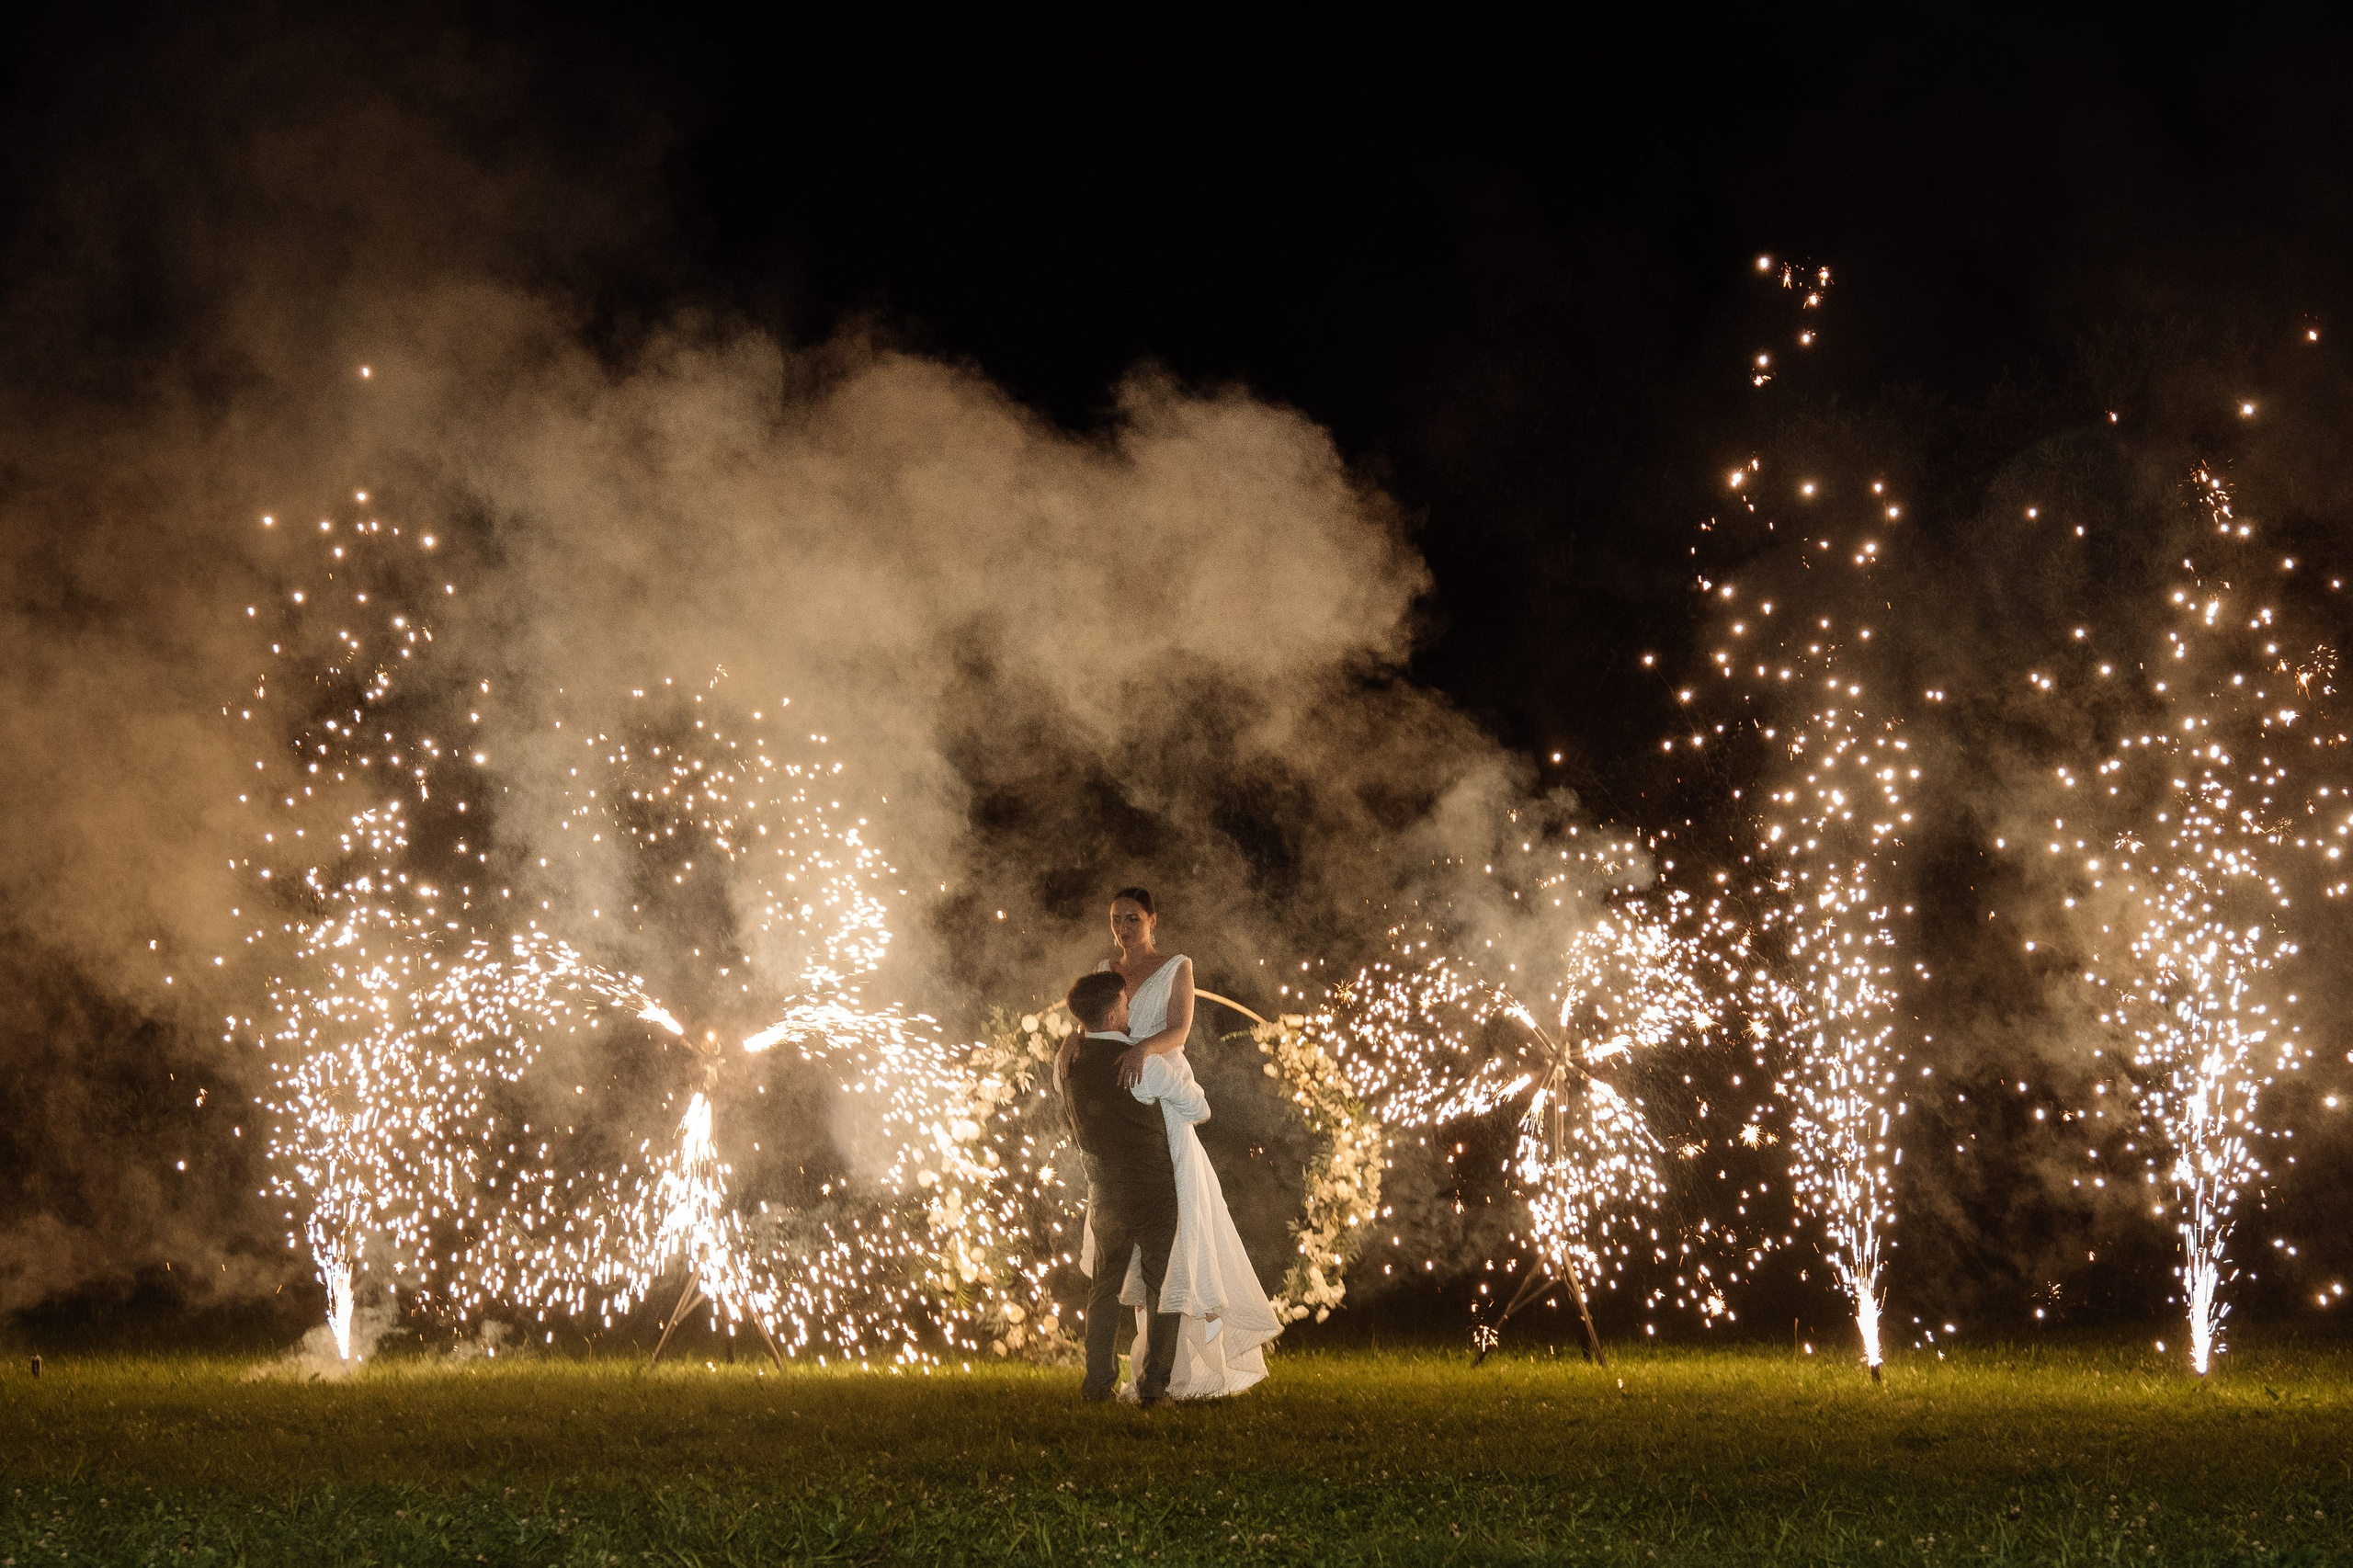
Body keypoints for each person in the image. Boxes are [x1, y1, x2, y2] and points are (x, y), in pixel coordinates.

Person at [1066, 887, 1284, 1398]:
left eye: (1133, 919)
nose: (1123, 928)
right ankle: (1152, 1373)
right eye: (1116, 919)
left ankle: (1173, 1368)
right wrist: (1072, 1039)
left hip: (1155, 1077)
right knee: (1140, 1254)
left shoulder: (1177, 966)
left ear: (1152, 919)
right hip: (1127, 1090)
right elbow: (1092, 1019)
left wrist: (1142, 1049)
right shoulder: (1106, 968)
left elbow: (1180, 1029)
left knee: (1178, 1238)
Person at [1060, 969, 1195, 1405]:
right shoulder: (1144, 1065)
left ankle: (1097, 1385)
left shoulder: (1067, 1062)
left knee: (1103, 1287)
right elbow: (1199, 1107)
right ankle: (1156, 1387)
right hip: (1153, 1191)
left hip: (1104, 1192)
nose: (1131, 1009)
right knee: (1162, 1285)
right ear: (1116, 1010)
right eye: (1126, 1002)